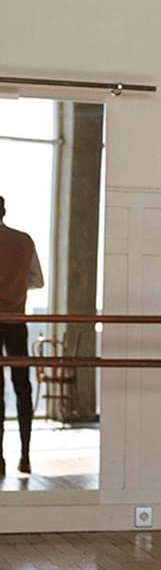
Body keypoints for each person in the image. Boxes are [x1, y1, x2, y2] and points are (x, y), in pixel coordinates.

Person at [0, 195, 44, 475]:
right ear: (3, 211)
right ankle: (25, 456)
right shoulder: (24, 241)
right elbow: (37, 280)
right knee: (22, 387)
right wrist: (14, 287)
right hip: (17, 319)